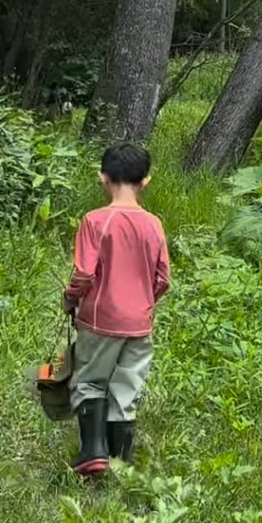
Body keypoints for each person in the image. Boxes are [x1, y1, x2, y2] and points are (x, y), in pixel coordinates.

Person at [62, 143, 170, 476]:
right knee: (127, 387)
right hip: (139, 323)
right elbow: (163, 278)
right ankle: (121, 463)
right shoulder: (154, 224)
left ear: (102, 178)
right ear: (146, 182)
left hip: (99, 319)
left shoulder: (95, 221)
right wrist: (142, 301)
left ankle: (93, 452)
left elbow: (84, 272)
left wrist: (70, 298)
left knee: (91, 381)